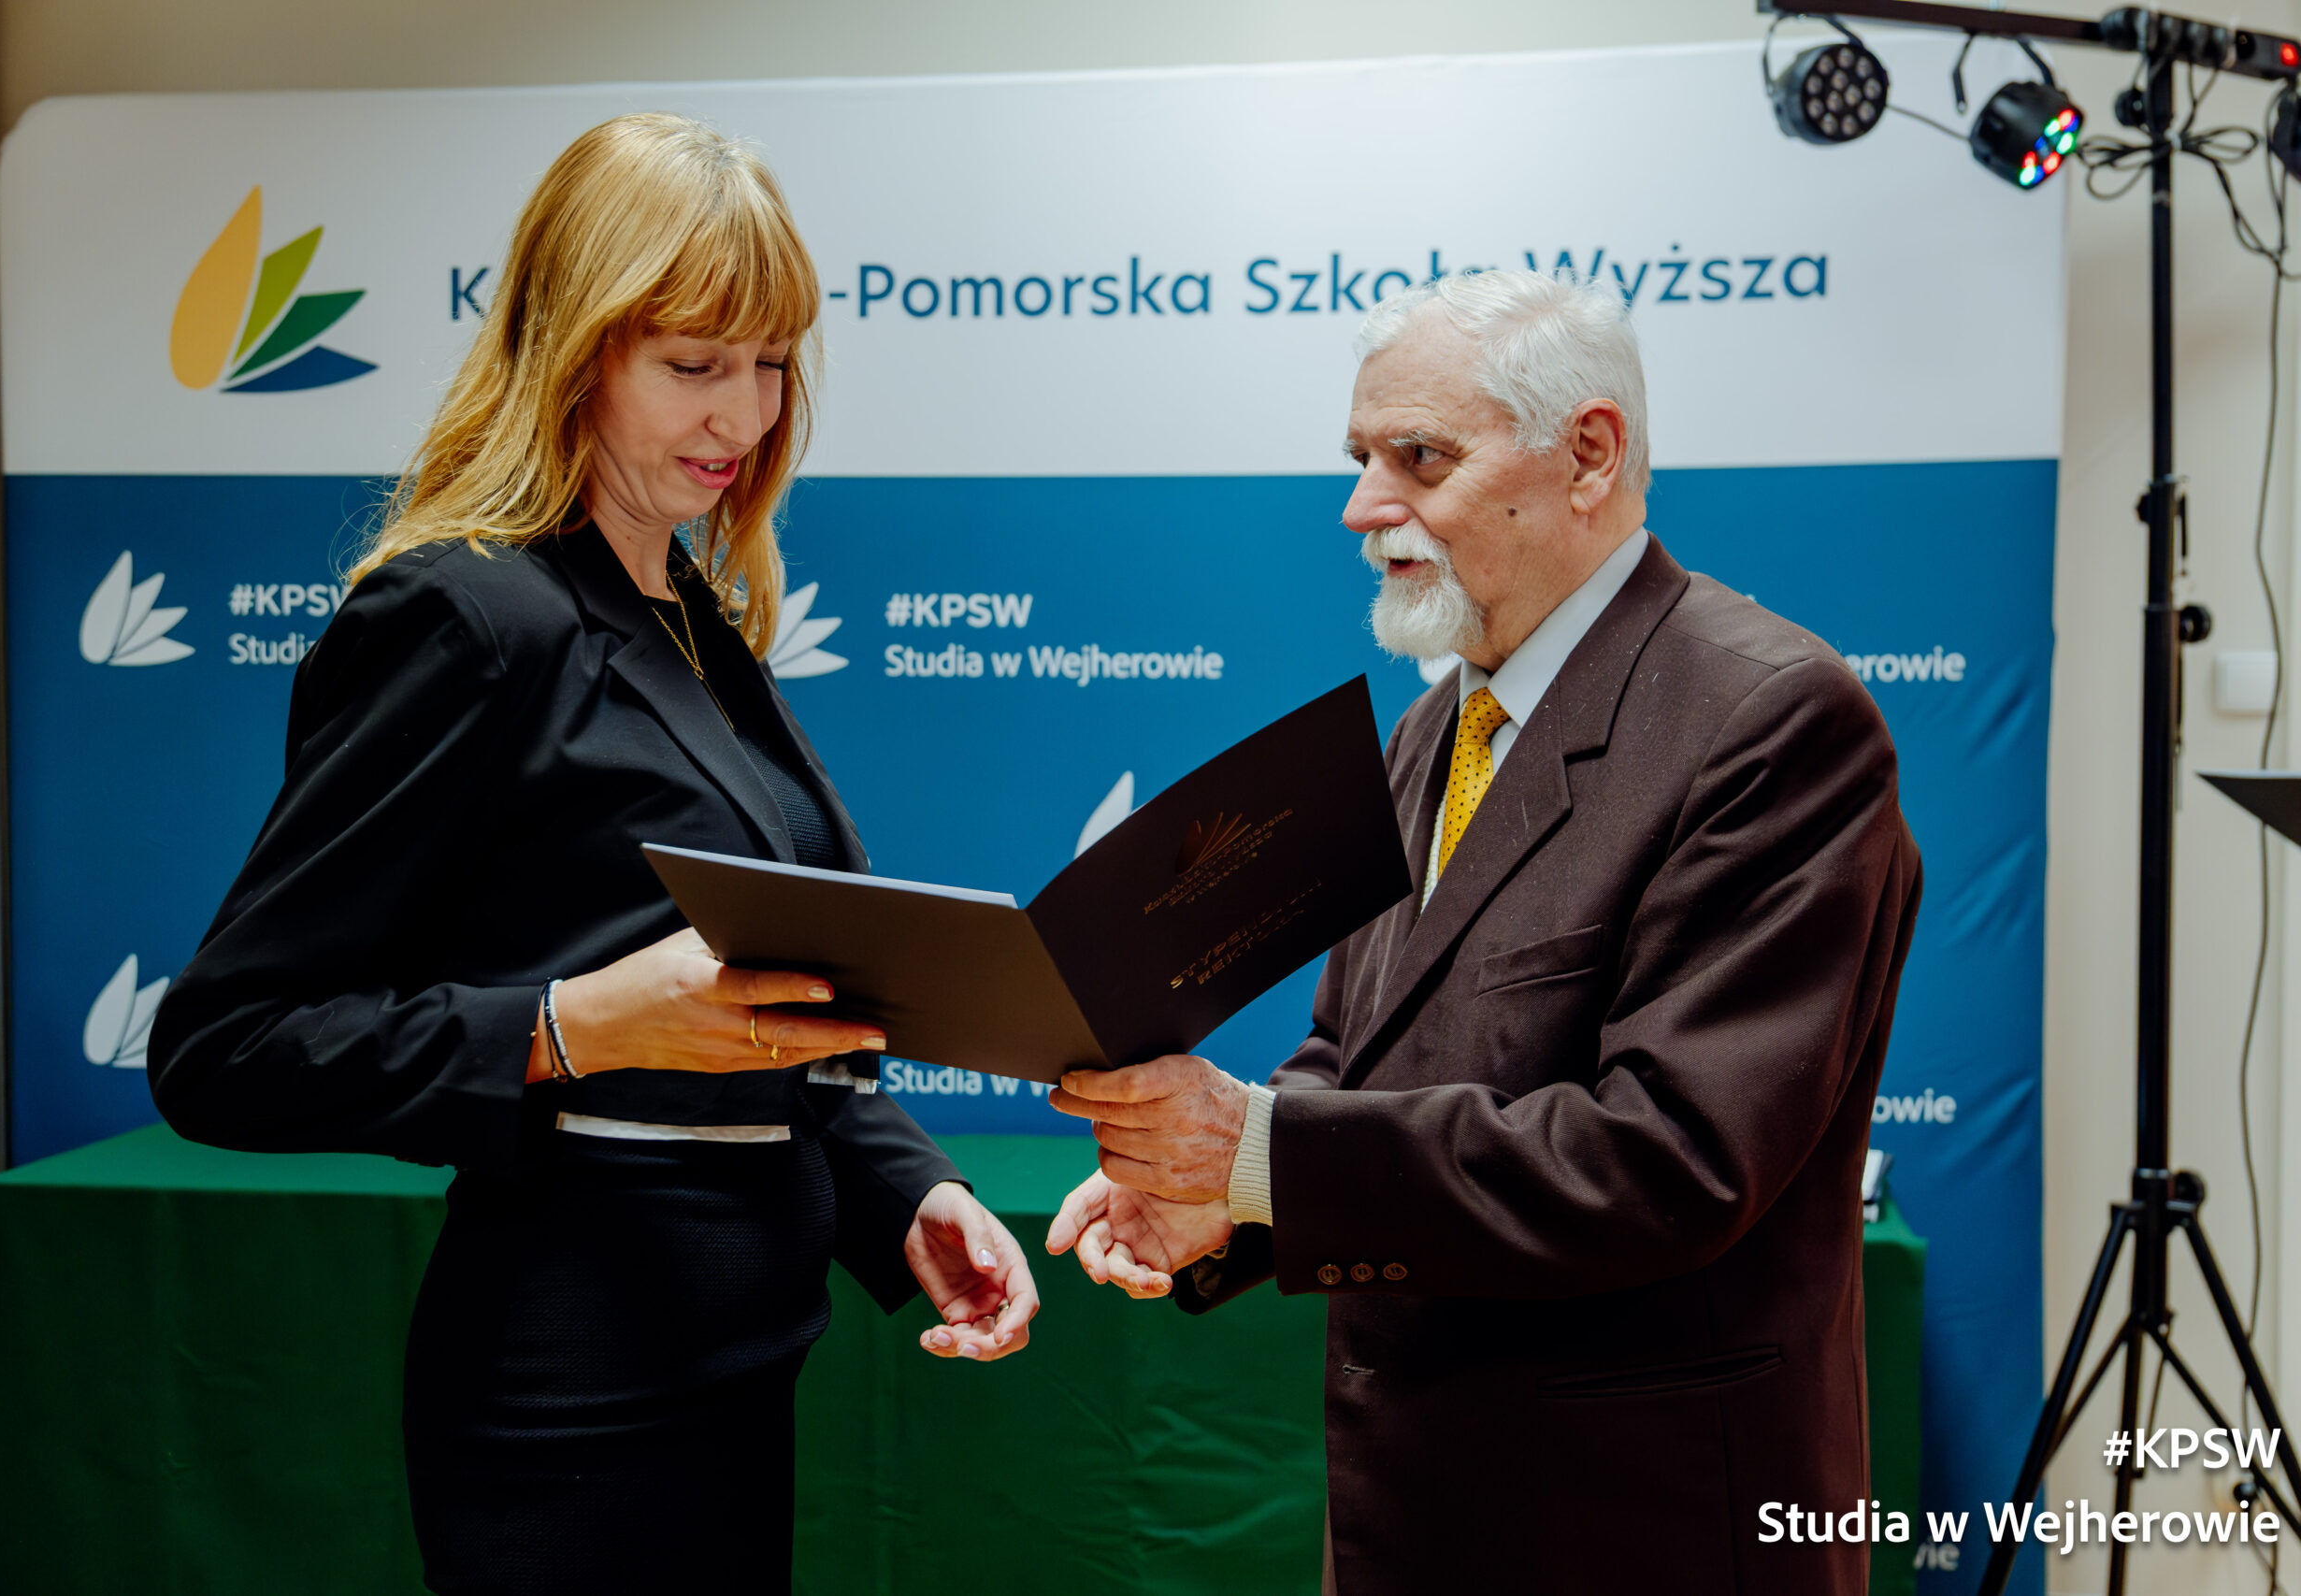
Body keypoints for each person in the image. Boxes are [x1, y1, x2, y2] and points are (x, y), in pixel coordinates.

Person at [149, 113, 1036, 1595]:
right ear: (574, 348)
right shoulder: (464, 617)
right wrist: (569, 1027)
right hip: (570, 1399)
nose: (743, 413)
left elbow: (760, 1015)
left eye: (771, 362)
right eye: (694, 364)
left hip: (738, 1366)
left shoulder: (689, 611)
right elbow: (223, 1050)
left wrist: (908, 1198)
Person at [1045, 267, 1920, 1596]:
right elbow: (1353, 1058)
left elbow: (1670, 1156)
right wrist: (1221, 1200)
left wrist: (1259, 1153)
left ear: (1589, 455)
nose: (1362, 507)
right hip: (1419, 1518)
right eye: (1359, 459)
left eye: (1419, 458)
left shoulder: (1772, 720)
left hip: (1645, 1534)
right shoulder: (1431, 730)